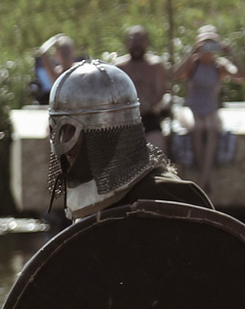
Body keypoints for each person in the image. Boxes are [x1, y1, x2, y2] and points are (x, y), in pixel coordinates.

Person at [43, 59, 212, 227]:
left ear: (109, 130)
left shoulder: (170, 196)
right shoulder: (84, 192)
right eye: (57, 130)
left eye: (72, 130)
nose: (63, 142)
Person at [175, 25, 241, 176]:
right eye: (205, 43)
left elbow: (240, 77)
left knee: (212, 129)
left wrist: (231, 54)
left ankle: (204, 177)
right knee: (197, 128)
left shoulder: (220, 65)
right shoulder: (193, 63)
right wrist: (192, 52)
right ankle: (202, 173)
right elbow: (175, 75)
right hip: (191, 107)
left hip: (211, 108)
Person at [116, 26, 170, 150]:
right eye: (133, 41)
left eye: (140, 41)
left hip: (149, 117)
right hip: (125, 118)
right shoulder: (119, 67)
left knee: (158, 149)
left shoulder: (156, 65)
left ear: (147, 42)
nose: (137, 45)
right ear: (127, 42)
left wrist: (146, 106)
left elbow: (160, 92)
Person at [31, 33, 77, 103]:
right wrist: (54, 39)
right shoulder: (57, 74)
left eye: (67, 51)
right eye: (62, 51)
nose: (65, 54)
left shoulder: (80, 69)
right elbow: (43, 52)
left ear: (73, 51)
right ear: (57, 54)